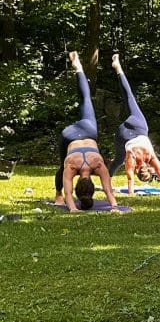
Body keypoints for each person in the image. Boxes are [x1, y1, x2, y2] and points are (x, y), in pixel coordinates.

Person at [55, 51, 119, 213]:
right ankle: (57, 194)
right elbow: (70, 193)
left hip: (87, 129)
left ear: (92, 186)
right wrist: (72, 208)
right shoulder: (72, 166)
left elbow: (108, 191)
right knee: (62, 168)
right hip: (68, 135)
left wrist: (115, 206)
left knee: (86, 99)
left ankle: (79, 68)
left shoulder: (98, 164)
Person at [109, 55, 160, 195]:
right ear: (138, 171)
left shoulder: (151, 157)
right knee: (118, 160)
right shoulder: (132, 159)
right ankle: (107, 180)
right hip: (123, 135)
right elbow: (130, 179)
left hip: (138, 126)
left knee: (129, 97)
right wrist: (131, 194)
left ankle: (118, 69)